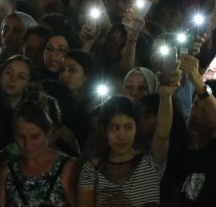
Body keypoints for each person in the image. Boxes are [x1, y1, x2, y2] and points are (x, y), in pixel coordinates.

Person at [77, 65, 179, 206]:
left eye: (128, 127)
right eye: (114, 128)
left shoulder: (151, 162)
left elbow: (162, 134)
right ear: (103, 130)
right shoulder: (91, 169)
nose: (122, 135)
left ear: (136, 128)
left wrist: (166, 95)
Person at [0, 92, 76, 206]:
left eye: (34, 137)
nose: (27, 144)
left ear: (47, 133)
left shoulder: (66, 168)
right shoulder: (7, 171)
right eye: (20, 137)